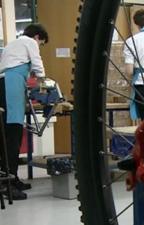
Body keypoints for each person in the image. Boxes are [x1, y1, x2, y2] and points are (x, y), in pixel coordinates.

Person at [0, 23, 48, 200]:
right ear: (37, 37)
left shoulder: (13, 44)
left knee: (6, 134)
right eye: (41, 43)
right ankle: (8, 184)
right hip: (12, 84)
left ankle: (12, 178)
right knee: (13, 134)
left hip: (5, 84)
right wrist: (44, 82)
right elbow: (37, 63)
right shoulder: (29, 41)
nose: (39, 46)